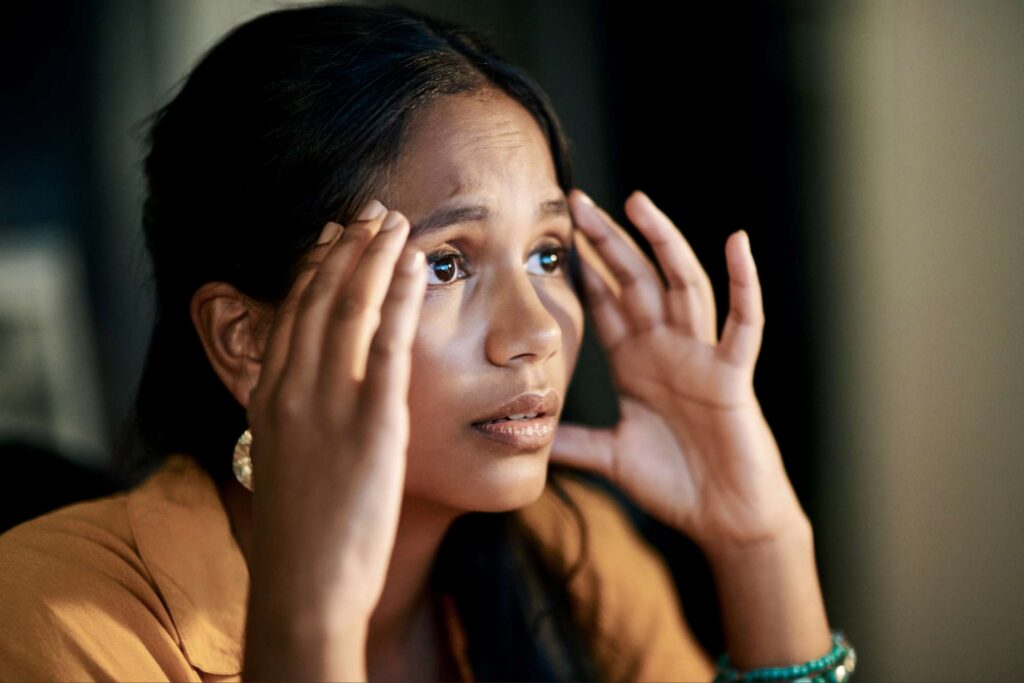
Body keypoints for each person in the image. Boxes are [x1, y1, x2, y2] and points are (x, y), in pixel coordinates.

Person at [0, 3, 856, 682]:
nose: (536, 334)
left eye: (547, 254)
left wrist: (760, 541)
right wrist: (311, 612)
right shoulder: (50, 614)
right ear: (246, 338)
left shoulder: (570, 556)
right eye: (447, 264)